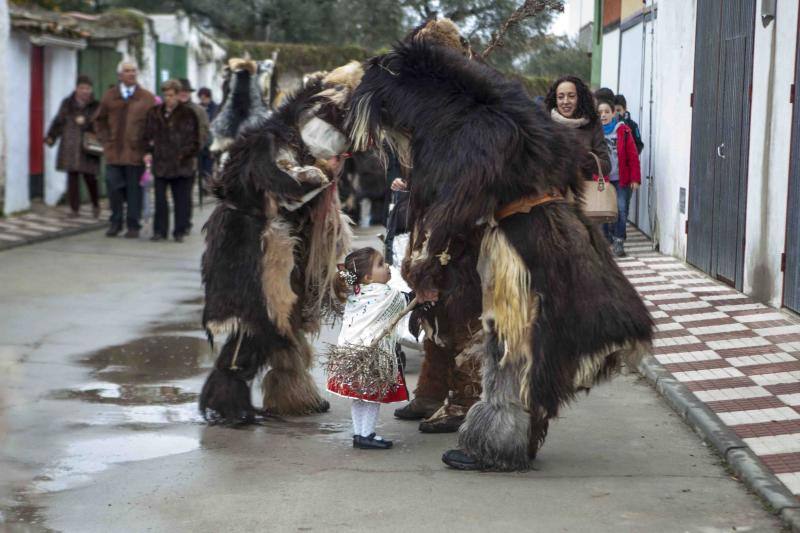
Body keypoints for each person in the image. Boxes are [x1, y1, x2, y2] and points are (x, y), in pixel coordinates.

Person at [347, 17, 653, 471]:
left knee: (511, 343)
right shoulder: (504, 116)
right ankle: (515, 436)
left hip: (525, 243)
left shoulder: (478, 130)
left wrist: (432, 263)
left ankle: (500, 445)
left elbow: (460, 205)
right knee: (531, 341)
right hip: (549, 232)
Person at [199, 61, 360, 424]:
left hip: (278, 239)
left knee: (287, 319)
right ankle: (226, 400)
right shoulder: (274, 144)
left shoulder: (298, 135)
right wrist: (322, 173)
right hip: (249, 242)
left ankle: (291, 393)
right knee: (253, 320)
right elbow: (285, 189)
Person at [327, 247, 410, 450]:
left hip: (350, 355)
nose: (387, 266)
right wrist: (422, 295)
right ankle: (367, 434)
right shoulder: (383, 293)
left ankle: (359, 434)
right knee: (373, 398)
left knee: (359, 397)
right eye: (381, 264)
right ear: (367, 276)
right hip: (371, 356)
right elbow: (405, 301)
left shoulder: (356, 291)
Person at [94, 60, 155, 238]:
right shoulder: (110, 96)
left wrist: (148, 148)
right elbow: (99, 120)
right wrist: (106, 141)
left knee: (134, 192)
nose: (131, 74)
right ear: (120, 75)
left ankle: (133, 225)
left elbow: (154, 125)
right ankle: (115, 223)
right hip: (114, 154)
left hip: (136, 154)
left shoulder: (147, 98)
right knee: (114, 189)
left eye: (134, 71)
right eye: (127, 71)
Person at [143, 80, 200, 242]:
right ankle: (159, 230)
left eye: (171, 95)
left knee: (180, 199)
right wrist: (148, 151)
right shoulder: (154, 113)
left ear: (178, 95)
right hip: (161, 163)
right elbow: (147, 135)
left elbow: (194, 140)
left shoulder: (188, 114)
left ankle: (179, 230)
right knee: (160, 199)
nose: (168, 98)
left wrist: (183, 155)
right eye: (166, 95)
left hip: (181, 164)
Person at [45, 75, 101, 218]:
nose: (85, 91)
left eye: (87, 88)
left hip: (88, 146)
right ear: (76, 89)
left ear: (91, 90)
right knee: (72, 176)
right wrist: (51, 136)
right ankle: (74, 209)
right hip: (70, 145)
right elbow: (59, 120)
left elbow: (101, 124)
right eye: (82, 88)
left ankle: (95, 204)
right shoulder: (67, 103)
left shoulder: (95, 105)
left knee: (90, 178)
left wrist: (87, 122)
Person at [597, 98, 641, 257]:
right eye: (600, 112)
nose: (603, 115)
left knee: (621, 210)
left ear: (613, 113)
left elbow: (633, 155)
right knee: (602, 211)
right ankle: (605, 239)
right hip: (602, 180)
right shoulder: (594, 133)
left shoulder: (623, 131)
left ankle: (618, 240)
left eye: (606, 112)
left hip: (621, 179)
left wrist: (635, 178)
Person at [546, 76, 611, 180]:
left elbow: (607, 167)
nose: (565, 101)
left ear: (580, 98)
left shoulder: (593, 124)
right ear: (555, 99)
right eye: (560, 97)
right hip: (551, 192)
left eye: (571, 96)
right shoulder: (545, 123)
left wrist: (585, 158)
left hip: (582, 192)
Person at [178, 79, 210, 233]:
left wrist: (194, 148)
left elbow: (204, 134)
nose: (183, 93)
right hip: (167, 159)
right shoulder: (167, 109)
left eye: (186, 91)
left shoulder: (199, 111)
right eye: (180, 90)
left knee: (185, 193)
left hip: (189, 158)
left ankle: (184, 223)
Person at [197, 87, 219, 200]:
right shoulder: (198, 107)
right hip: (201, 143)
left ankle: (208, 188)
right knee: (200, 168)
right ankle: (203, 188)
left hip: (211, 143)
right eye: (201, 97)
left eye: (205, 97)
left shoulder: (215, 108)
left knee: (208, 168)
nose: (203, 99)